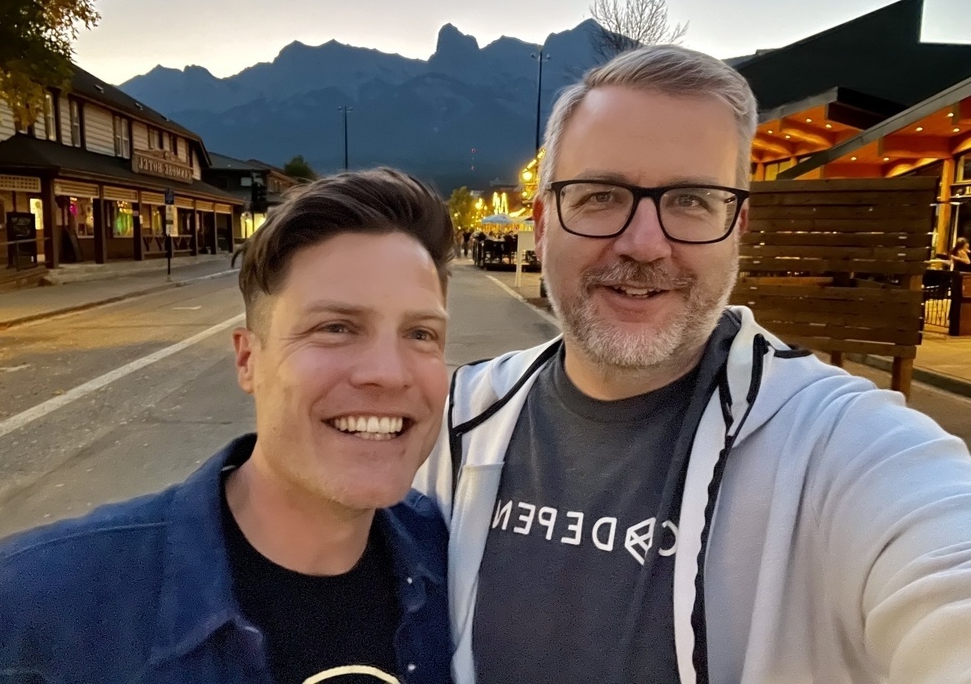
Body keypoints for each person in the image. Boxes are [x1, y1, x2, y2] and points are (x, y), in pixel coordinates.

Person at [414, 46, 971, 683]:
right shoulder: (453, 416)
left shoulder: (840, 448)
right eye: (600, 196)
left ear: (737, 227)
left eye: (691, 201)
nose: (645, 244)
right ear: (543, 224)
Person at [0, 168, 455, 684]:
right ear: (248, 360)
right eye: (335, 328)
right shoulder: (30, 610)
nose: (387, 372)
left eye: (421, 333)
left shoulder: (463, 568)